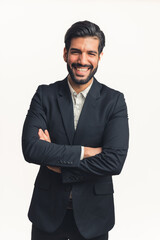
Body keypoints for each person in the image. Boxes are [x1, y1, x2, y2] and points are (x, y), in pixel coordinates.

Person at [22, 20, 129, 240]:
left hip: (95, 215)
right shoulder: (45, 95)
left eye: (90, 53)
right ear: (65, 54)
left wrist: (59, 165)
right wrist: (86, 151)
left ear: (99, 56)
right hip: (48, 212)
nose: (82, 60)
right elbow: (32, 149)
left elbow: (114, 161)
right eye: (75, 52)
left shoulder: (114, 101)